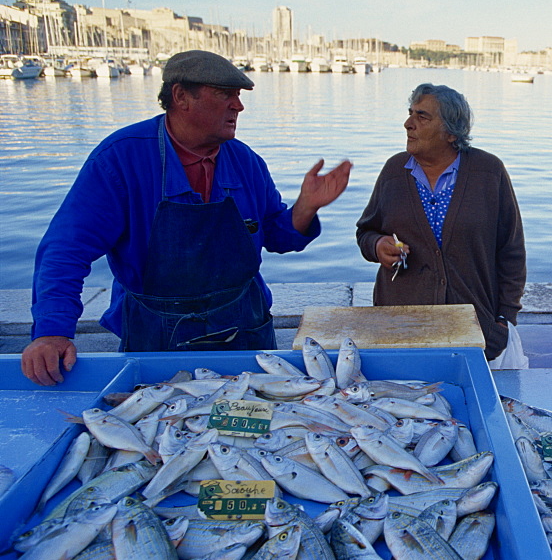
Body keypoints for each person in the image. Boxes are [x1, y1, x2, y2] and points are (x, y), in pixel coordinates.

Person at [22, 49, 352, 386]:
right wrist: (51, 332)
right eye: (225, 95)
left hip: (244, 327)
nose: (238, 106)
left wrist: (306, 207)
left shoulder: (246, 161)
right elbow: (65, 251)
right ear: (181, 96)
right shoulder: (120, 159)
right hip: (156, 336)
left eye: (238, 96)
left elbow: (278, 236)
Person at [356, 83, 526, 362]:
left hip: (473, 327)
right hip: (402, 326)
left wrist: (504, 319)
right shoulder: (393, 172)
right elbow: (366, 232)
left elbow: (511, 251)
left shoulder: (488, 172)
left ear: (451, 131)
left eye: (422, 117)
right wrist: (378, 246)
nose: (408, 124)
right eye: (410, 114)